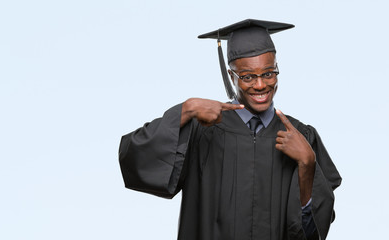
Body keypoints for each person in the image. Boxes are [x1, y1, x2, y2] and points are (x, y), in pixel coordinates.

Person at [118, 19, 341, 240]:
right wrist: (187, 110)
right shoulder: (201, 131)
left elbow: (313, 233)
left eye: (269, 73)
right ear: (230, 75)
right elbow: (135, 159)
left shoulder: (302, 137)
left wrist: (307, 165)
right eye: (247, 77)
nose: (261, 85)